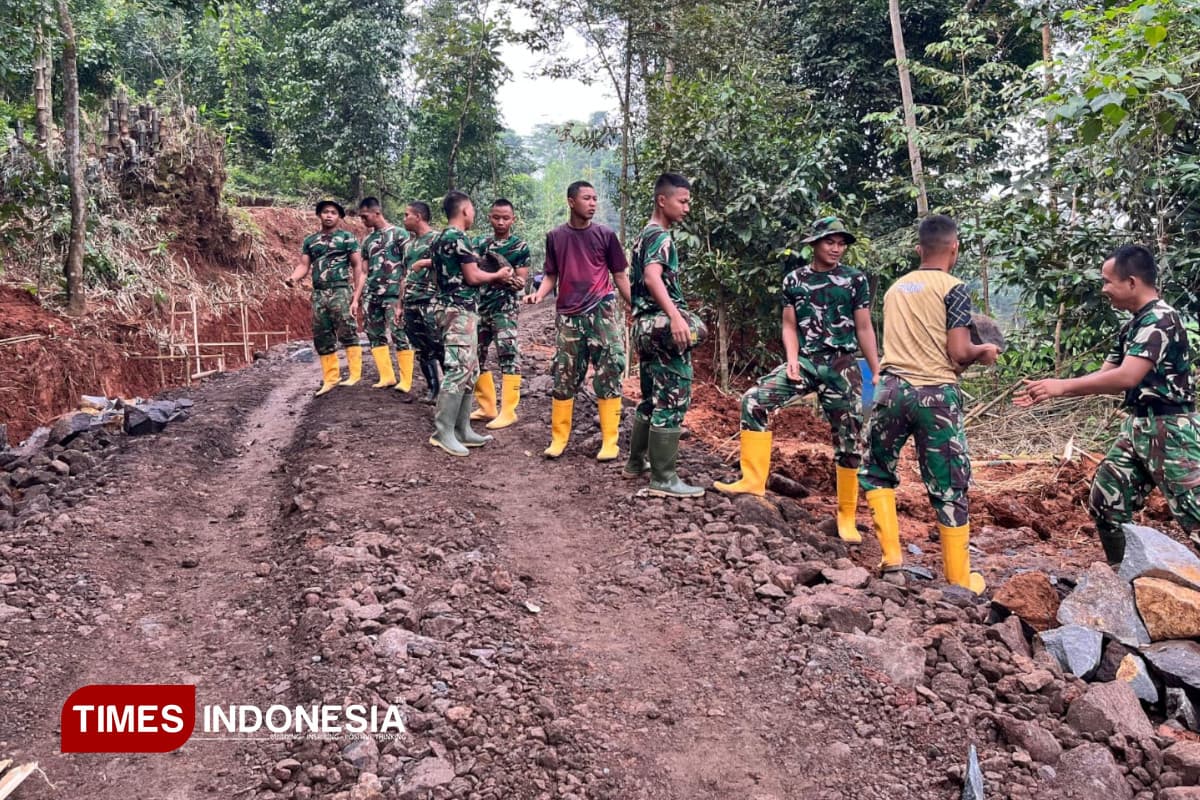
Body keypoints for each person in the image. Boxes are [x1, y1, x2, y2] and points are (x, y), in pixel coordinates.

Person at [1015, 244, 1200, 563]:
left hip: (1171, 431)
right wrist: (1048, 390)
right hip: (1139, 427)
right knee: (1106, 499)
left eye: (1107, 281)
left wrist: (1060, 386)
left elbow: (1127, 377)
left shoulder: (1161, 319)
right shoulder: (1133, 325)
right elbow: (1105, 377)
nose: (1103, 290)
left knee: (1194, 513)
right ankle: (1125, 575)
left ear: (1131, 282)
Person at [714, 216, 881, 544]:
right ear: (814, 244)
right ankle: (752, 481)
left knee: (850, 437)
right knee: (754, 400)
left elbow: (864, 327)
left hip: (843, 364)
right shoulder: (795, 280)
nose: (836, 248)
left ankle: (846, 515)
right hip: (805, 361)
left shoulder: (854, 280)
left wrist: (874, 370)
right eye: (830, 242)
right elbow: (789, 325)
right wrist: (791, 359)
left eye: (841, 242)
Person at [857, 214, 998, 594]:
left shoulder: (894, 289)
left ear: (919, 249)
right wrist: (983, 351)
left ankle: (892, 561)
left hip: (890, 390)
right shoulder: (954, 288)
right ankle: (958, 579)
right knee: (949, 483)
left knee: (876, 471)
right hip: (935, 396)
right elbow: (957, 352)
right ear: (955, 248)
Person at [524, 181, 631, 460]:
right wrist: (539, 295)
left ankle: (610, 441)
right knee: (564, 374)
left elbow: (620, 276)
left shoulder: (606, 235)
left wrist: (637, 304)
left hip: (601, 311)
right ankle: (559, 439)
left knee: (609, 368)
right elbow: (551, 275)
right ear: (571, 201)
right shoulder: (556, 236)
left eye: (595, 198)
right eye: (587, 198)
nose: (593, 203)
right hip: (569, 315)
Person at [625, 173, 706, 498]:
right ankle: (664, 479)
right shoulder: (661, 237)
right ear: (663, 200)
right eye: (682, 201)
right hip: (660, 327)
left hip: (643, 327)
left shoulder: (642, 236)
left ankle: (636, 462)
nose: (687, 208)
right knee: (673, 399)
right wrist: (674, 316)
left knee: (650, 397)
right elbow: (651, 275)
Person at [426, 191, 515, 456]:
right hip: (458, 311)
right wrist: (498, 274)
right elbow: (473, 276)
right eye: (473, 209)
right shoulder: (458, 237)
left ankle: (462, 429)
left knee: (470, 369)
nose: (474, 214)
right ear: (465, 210)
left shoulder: (440, 238)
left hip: (454, 308)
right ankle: (443, 432)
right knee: (458, 368)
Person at [286, 199, 365, 396]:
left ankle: (355, 374)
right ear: (319, 215)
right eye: (325, 212)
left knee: (347, 329)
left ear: (339, 217)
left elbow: (357, 266)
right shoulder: (310, 241)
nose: (329, 215)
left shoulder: (347, 238)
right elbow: (304, 265)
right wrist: (293, 278)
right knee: (322, 334)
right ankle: (331, 378)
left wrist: (356, 295)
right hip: (319, 293)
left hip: (340, 290)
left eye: (333, 212)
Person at [470, 199, 531, 429]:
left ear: (513, 219)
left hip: (505, 308)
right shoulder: (480, 243)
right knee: (476, 354)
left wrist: (510, 279)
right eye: (496, 217)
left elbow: (522, 281)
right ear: (489, 217)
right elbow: (472, 270)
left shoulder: (519, 246)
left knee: (508, 353)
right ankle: (487, 407)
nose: (501, 222)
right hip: (480, 307)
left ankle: (508, 411)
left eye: (506, 218)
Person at [358, 197, 412, 390]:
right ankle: (387, 376)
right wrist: (357, 296)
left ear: (377, 213)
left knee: (399, 333)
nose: (363, 221)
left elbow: (408, 266)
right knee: (374, 334)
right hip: (372, 294)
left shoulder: (399, 234)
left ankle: (406, 380)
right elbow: (364, 271)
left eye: (365, 217)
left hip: (393, 293)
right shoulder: (367, 241)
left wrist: (402, 297)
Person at [398, 201, 442, 403]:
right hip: (411, 302)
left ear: (418, 216)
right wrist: (400, 305)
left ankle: (453, 392)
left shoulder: (438, 239)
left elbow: (452, 263)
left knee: (439, 345)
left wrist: (426, 262)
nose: (404, 219)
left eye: (406, 215)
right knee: (421, 348)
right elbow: (405, 276)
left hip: (432, 300)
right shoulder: (409, 245)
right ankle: (433, 388)